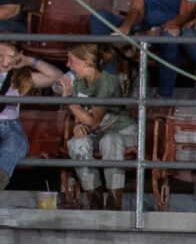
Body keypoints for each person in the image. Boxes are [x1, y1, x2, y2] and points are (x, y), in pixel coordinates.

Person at [53, 42, 133, 205]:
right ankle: (93, 194)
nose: (67, 65)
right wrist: (78, 127)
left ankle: (114, 197)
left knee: (110, 140)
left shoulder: (107, 82)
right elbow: (81, 118)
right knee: (77, 143)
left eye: (71, 60)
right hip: (96, 132)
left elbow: (93, 120)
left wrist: (69, 100)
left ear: (86, 62)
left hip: (123, 133)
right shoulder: (80, 82)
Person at [0, 41, 67, 188]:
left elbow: (57, 77)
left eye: (11, 57)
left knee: (14, 143)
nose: (5, 61)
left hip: (10, 126)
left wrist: (28, 61)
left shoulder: (20, 77)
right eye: (0, 55)